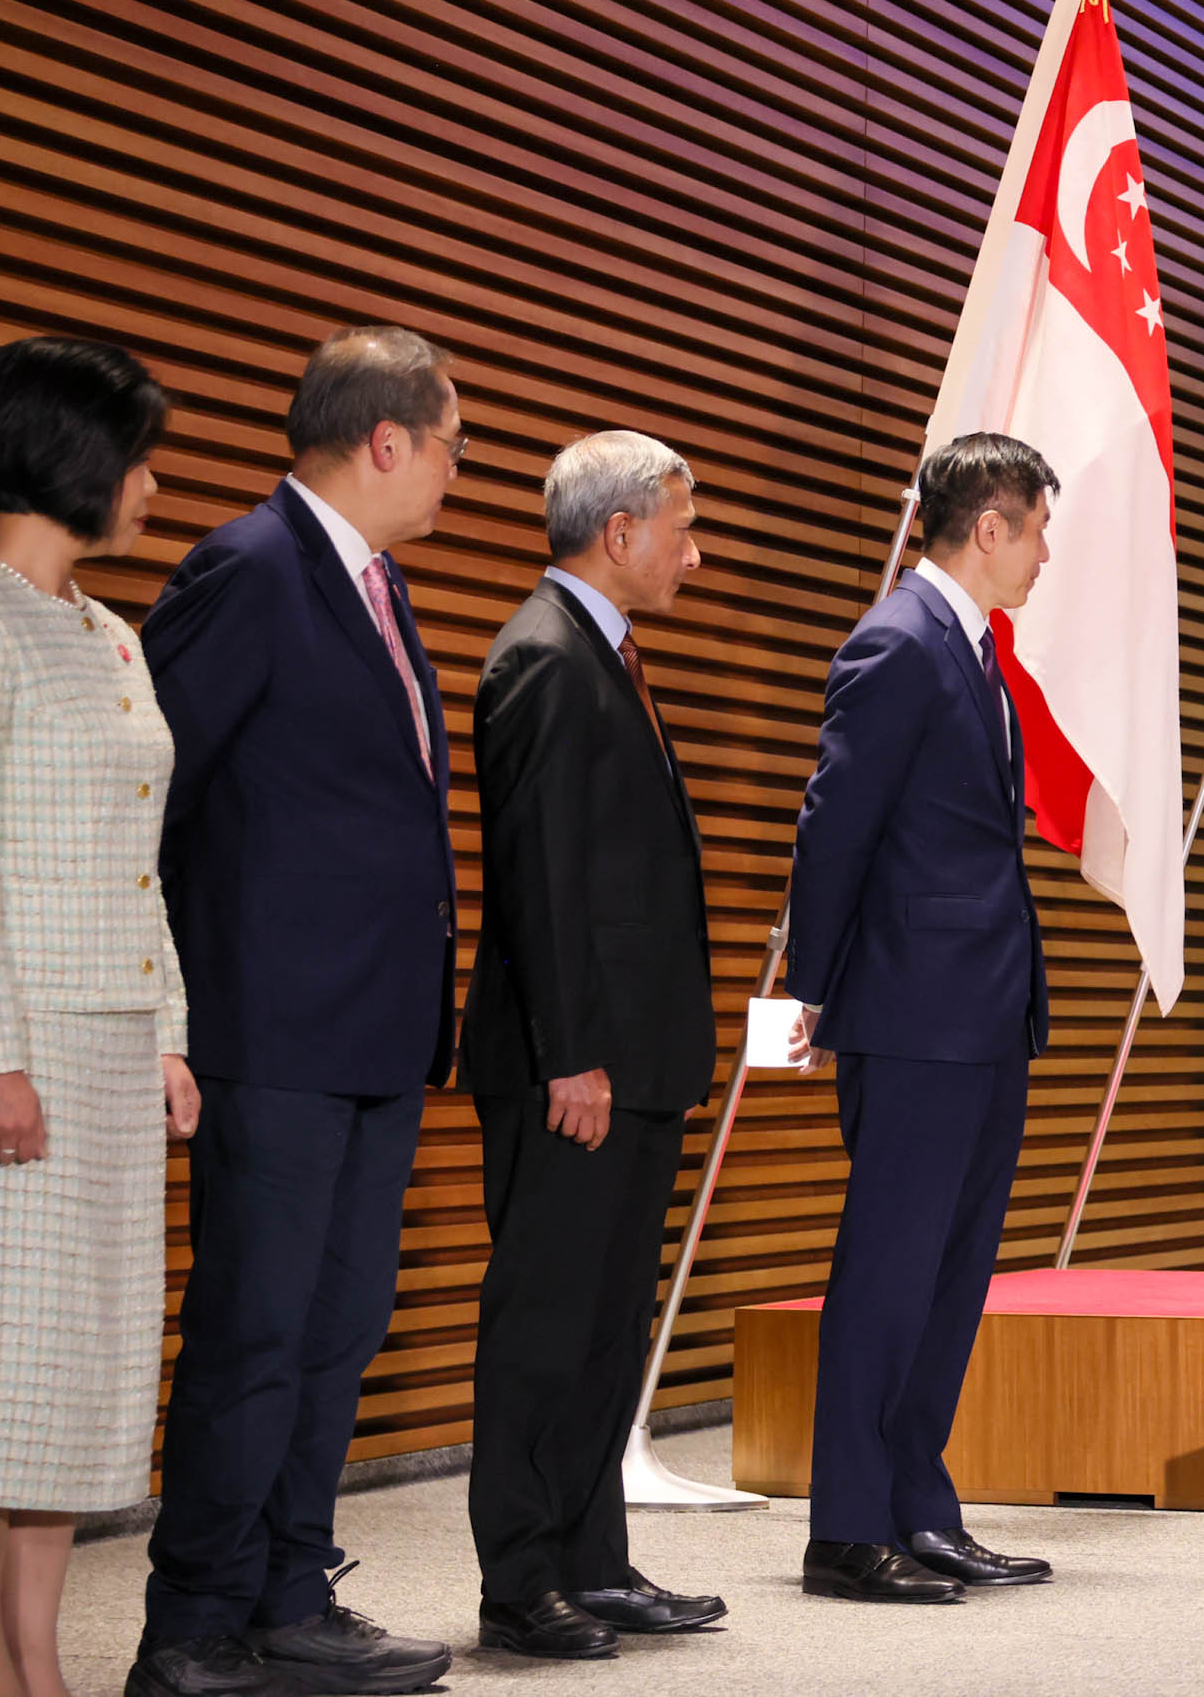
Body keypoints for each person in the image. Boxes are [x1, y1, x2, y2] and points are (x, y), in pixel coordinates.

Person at [138, 326, 461, 1696]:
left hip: (374, 1039)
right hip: (268, 1035)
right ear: (385, 440)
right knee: (255, 1335)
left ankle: (287, 1591)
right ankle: (192, 1624)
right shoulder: (248, 569)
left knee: (336, 1332)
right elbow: (147, 795)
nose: (456, 471)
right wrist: (162, 1005)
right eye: (451, 443)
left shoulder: (376, 587)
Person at [460, 433, 726, 1653]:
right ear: (617, 532)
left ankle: (591, 1557)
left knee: (608, 1324)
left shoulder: (602, 656)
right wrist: (571, 1052)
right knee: (545, 1323)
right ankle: (521, 1581)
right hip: (573, 1069)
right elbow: (540, 881)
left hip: (631, 1064)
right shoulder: (545, 659)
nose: (693, 548)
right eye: (680, 523)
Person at [783, 433, 1056, 1604]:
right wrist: (810, 986)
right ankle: (847, 1526)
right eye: (1036, 527)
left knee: (951, 1275)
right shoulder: (897, 640)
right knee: (889, 1271)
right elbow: (834, 823)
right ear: (986, 527)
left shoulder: (973, 645)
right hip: (910, 1009)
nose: (1045, 552)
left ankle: (916, 1504)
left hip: (982, 1009)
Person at [0, 338, 195, 1697]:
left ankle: (37, 1653)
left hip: (113, 1054)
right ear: (73, 457)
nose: (153, 485)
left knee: (78, 1376)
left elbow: (140, 851)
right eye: (140, 456)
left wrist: (168, 1025)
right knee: (0, 1370)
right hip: (24, 1057)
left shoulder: (111, 633)